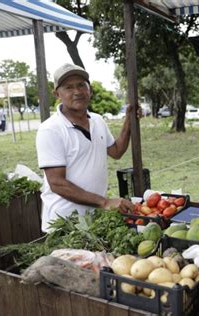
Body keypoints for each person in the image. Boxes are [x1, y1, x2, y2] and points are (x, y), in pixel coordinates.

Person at [36, 63, 138, 232]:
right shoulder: (51, 129)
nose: (77, 92)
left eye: (81, 85)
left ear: (89, 89)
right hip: (65, 224)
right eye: (69, 87)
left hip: (94, 219)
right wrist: (104, 202)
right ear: (57, 94)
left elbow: (117, 151)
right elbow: (57, 183)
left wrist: (129, 120)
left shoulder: (97, 120)